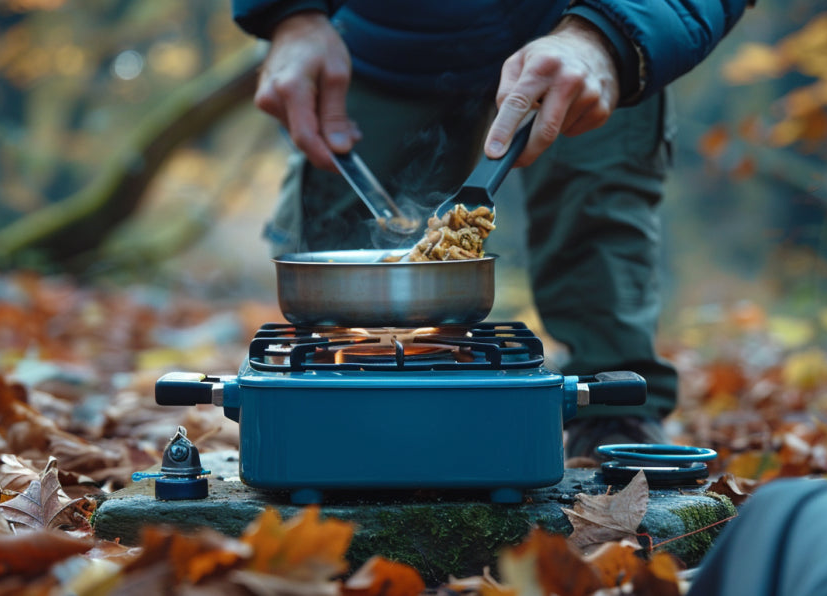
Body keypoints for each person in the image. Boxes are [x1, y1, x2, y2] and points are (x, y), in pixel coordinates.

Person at [231, 0, 751, 458]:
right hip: (385, 34)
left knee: (597, 198)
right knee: (340, 242)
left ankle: (613, 416)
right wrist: (290, 15)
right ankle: (335, 410)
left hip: (588, 20)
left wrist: (607, 34)